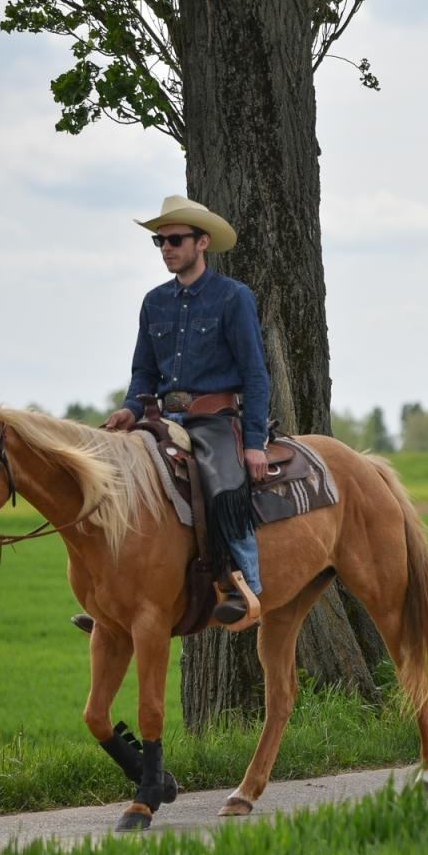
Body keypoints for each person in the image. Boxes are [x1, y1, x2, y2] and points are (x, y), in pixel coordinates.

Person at [75, 195, 271, 632]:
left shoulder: (233, 297)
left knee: (224, 484)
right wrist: (129, 409)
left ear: (202, 242)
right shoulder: (154, 302)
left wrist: (255, 442)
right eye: (159, 241)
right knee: (110, 479)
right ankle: (109, 595)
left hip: (215, 419)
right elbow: (143, 372)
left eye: (175, 240)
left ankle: (244, 586)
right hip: (161, 418)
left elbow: (256, 375)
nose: (166, 248)